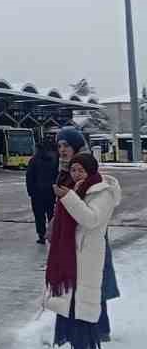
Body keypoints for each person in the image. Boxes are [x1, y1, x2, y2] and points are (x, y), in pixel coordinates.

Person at [44, 151, 118, 349]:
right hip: (73, 256)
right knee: (74, 305)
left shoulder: (102, 192)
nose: (76, 174)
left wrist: (68, 198)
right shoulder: (76, 188)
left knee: (83, 306)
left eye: (81, 170)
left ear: (91, 170)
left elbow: (91, 219)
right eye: (73, 170)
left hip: (87, 256)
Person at [55, 125, 120, 337]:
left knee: (93, 284)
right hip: (71, 239)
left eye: (66, 145)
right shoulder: (64, 172)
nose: (62, 150)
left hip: (89, 239)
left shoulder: (87, 173)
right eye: (59, 146)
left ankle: (99, 330)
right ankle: (75, 330)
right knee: (76, 286)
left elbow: (90, 214)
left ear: (76, 146)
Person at [25, 134, 58, 244]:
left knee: (39, 215)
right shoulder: (55, 159)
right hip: (51, 192)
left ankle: (41, 235)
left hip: (37, 193)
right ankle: (54, 234)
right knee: (52, 214)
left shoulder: (34, 160)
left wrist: (30, 192)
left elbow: (29, 177)